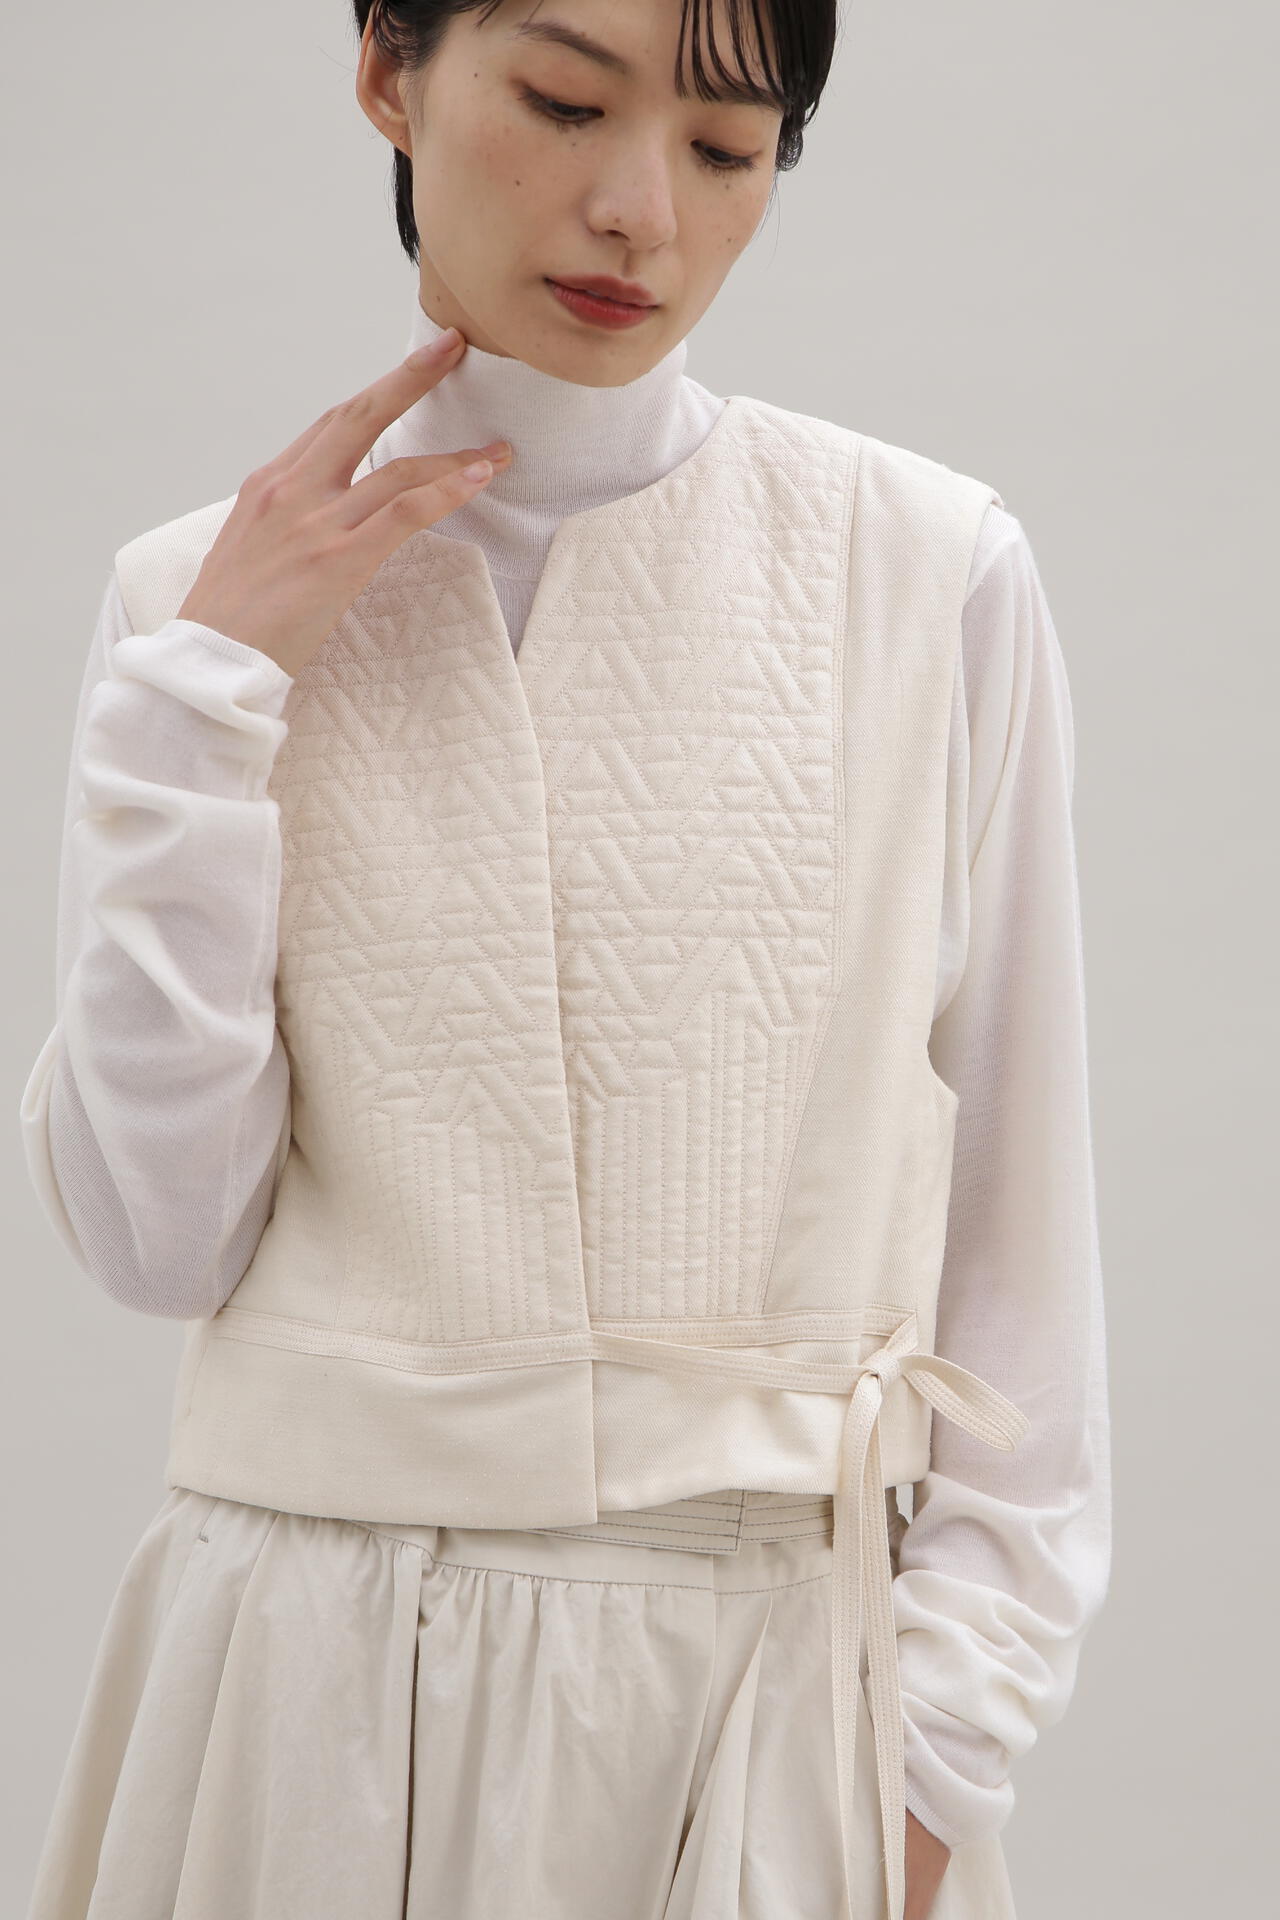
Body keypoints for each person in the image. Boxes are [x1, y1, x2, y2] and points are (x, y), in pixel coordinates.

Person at [17, 3, 1111, 1917]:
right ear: (389, 73)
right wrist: (202, 704)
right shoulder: (191, 611)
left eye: (726, 148)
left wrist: (929, 1767)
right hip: (299, 1702)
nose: (639, 213)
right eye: (563, 101)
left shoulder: (928, 573)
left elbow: (1028, 1261)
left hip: (766, 1700)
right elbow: (155, 1244)